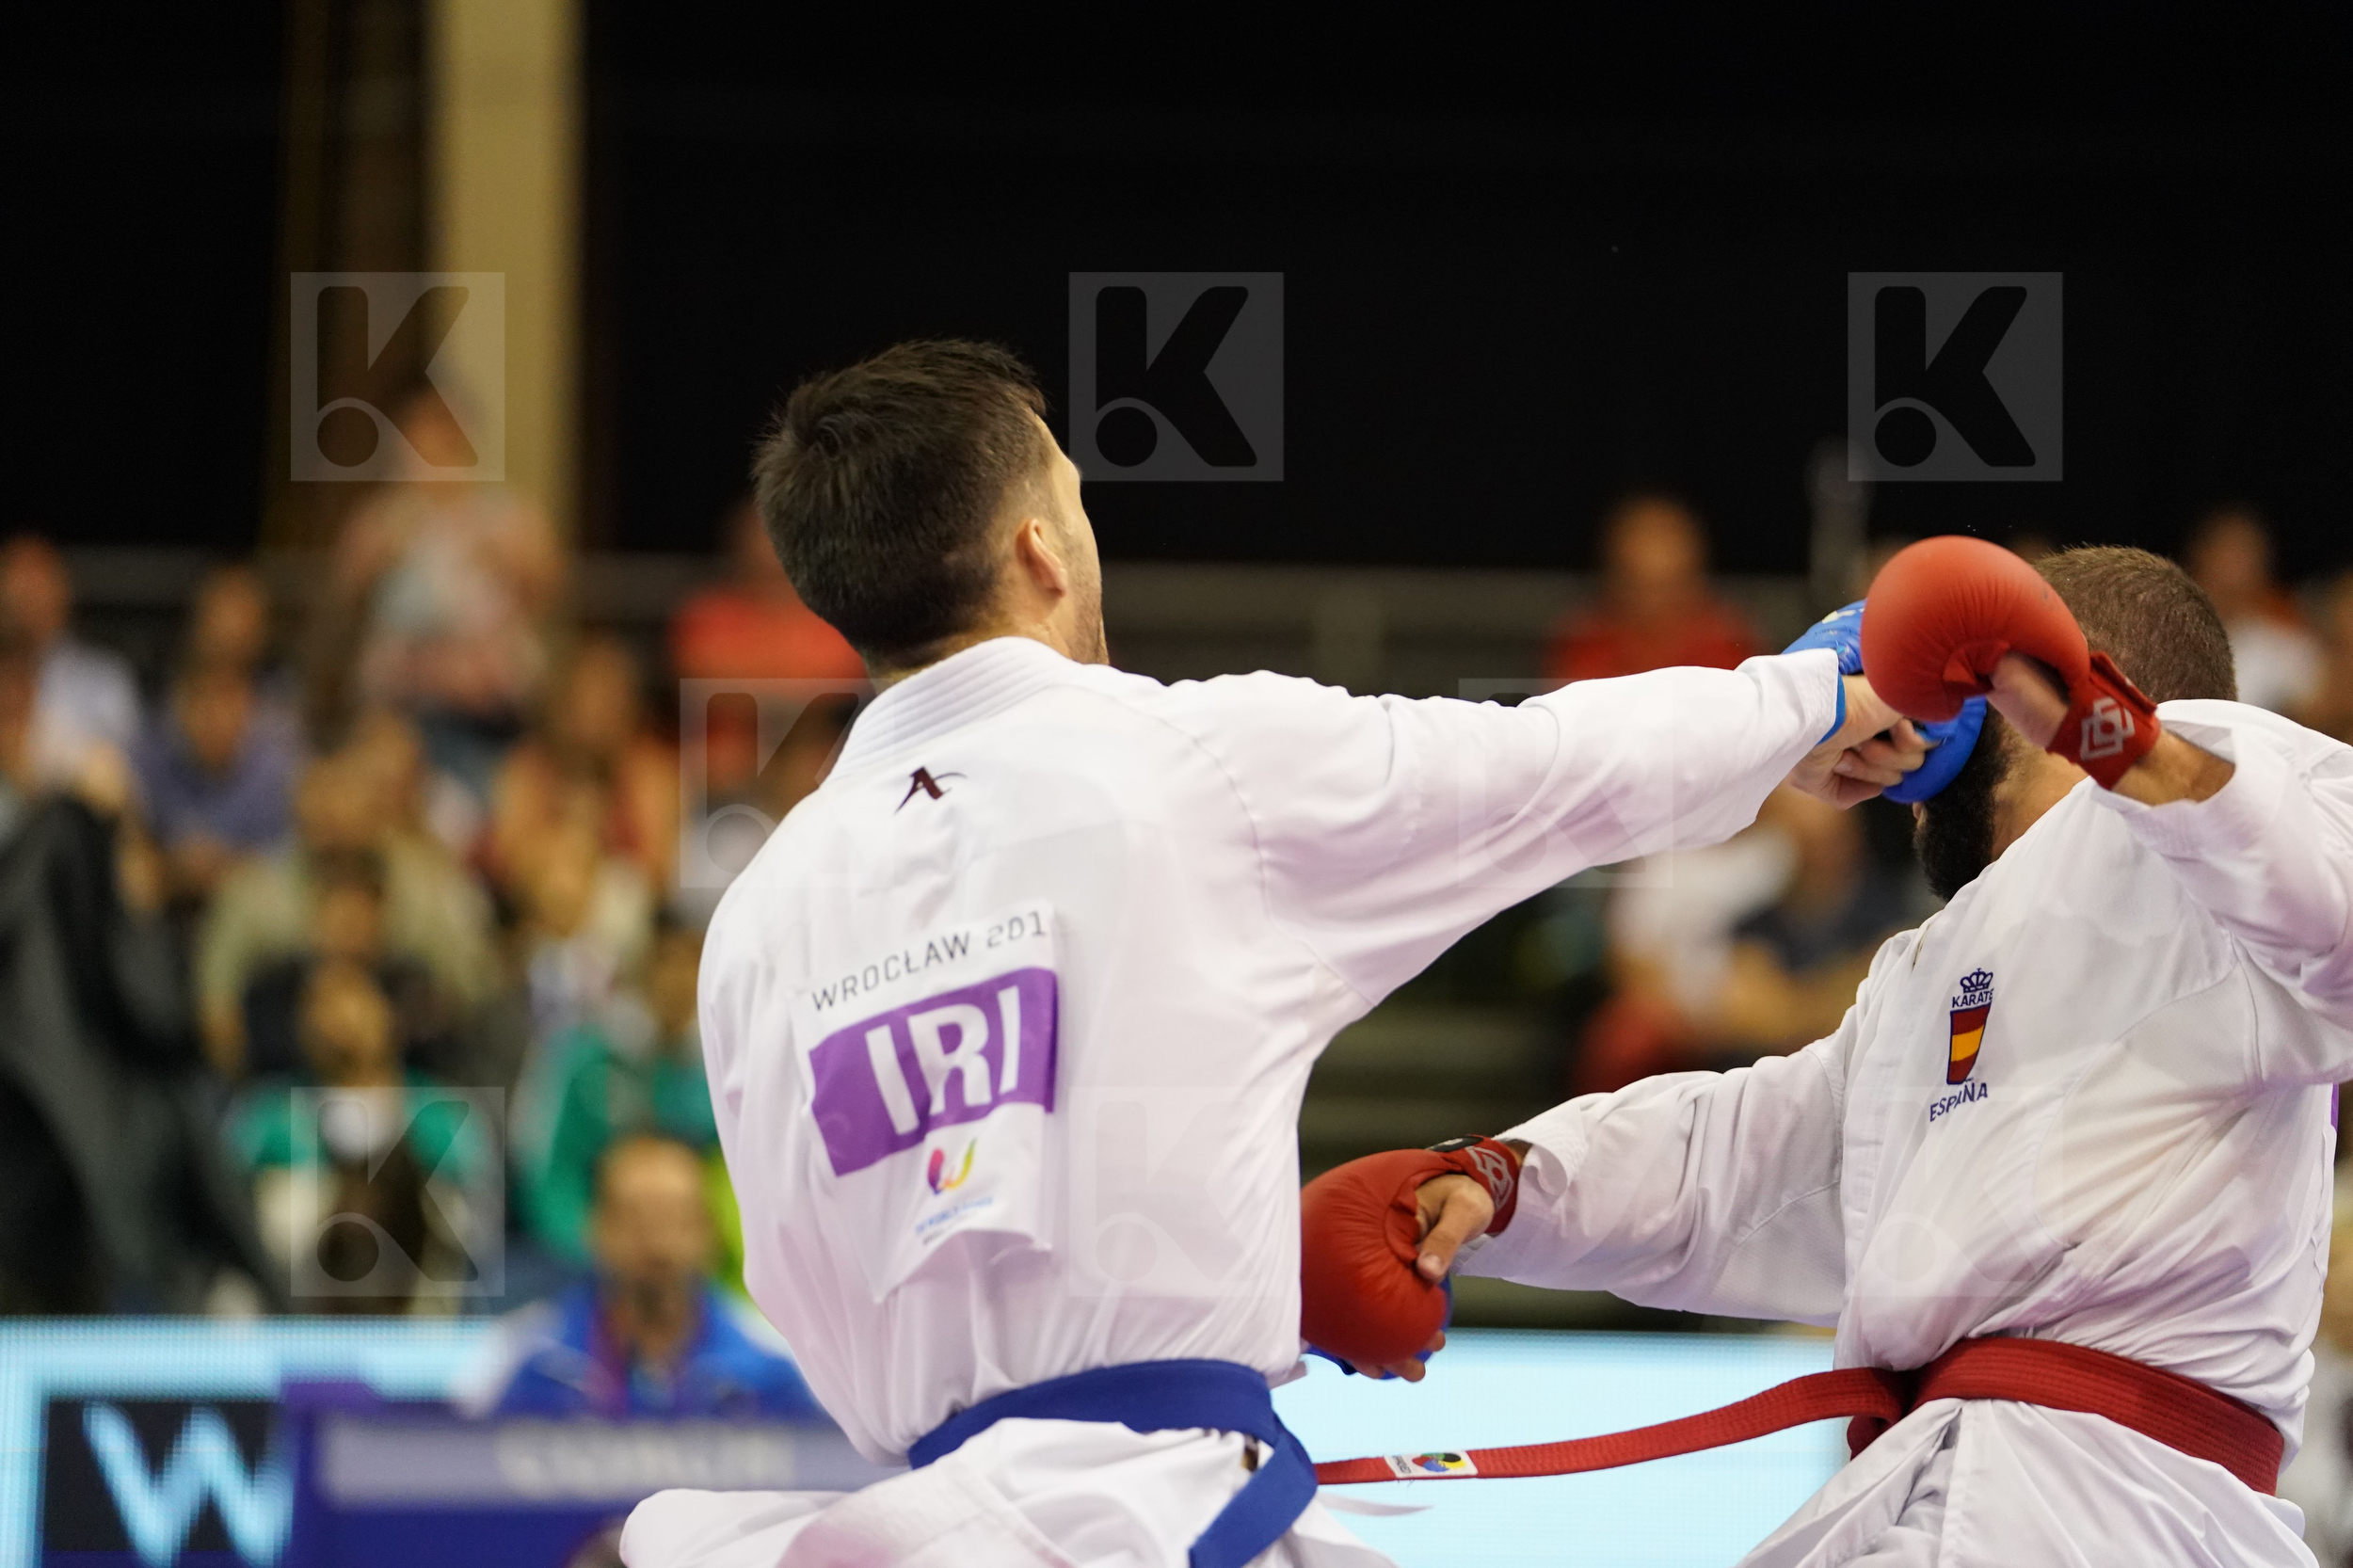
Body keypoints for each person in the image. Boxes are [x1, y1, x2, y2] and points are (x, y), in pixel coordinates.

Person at [618, 340, 1924, 1568]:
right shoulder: (1191, 766)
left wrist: (1189, 1284)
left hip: (918, 1528)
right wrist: (1805, 697)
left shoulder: (758, 914)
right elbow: (1548, 770)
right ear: (1039, 548)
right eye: (1075, 499)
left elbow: (804, 1280)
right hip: (1166, 1509)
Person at [1305, 543, 2349, 1565]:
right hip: (1953, 1487)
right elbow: (1735, 1165)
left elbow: (2325, 904)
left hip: (2114, 1509)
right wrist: (1498, 1183)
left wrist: (2104, 730)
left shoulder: (2224, 822)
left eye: (1942, 690)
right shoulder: (1933, 971)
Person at [476, 1133, 818, 1418]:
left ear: (709, 1233)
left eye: (677, 1220)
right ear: (596, 1228)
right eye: (635, 1219)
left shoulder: (770, 1370)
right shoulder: (535, 1365)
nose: (658, 1241)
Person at [1544, 492, 1760, 683]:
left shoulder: (1728, 639)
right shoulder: (1582, 639)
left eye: (1666, 588)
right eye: (1636, 584)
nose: (1652, 560)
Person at [0, 535, 140, 786]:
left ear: (64, 589)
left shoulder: (104, 678)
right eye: (17, 589)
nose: (27, 601)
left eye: (38, 586)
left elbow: (119, 773)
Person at [2184, 504, 2318, 716]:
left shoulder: (2287, 649)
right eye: (2225, 552)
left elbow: (2316, 717)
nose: (2232, 567)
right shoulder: (2168, 635)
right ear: (2200, 556)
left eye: (2244, 554)